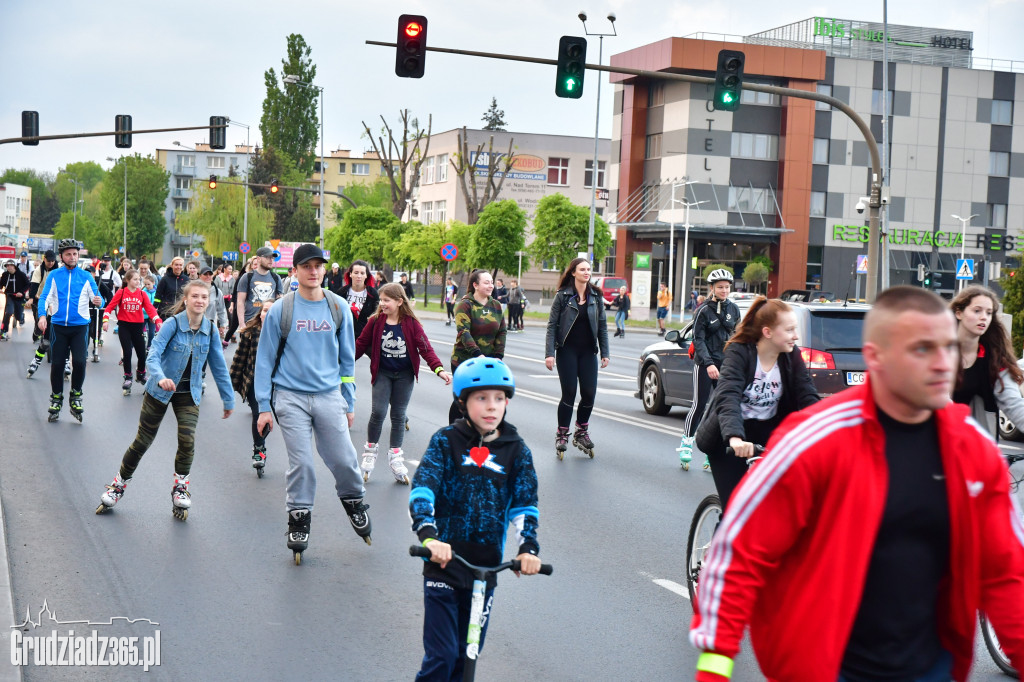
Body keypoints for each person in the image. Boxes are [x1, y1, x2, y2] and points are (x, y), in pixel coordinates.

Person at [689, 285, 1024, 682]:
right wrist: (714, 666)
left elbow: (1006, 572)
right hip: (826, 667)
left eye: (948, 348)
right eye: (921, 349)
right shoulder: (813, 441)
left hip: (929, 668)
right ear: (876, 358)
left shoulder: (973, 452)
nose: (942, 364)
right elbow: (740, 553)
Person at [409, 357, 541, 681]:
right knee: (441, 656)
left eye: (499, 398)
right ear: (463, 401)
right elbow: (423, 490)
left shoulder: (517, 451)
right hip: (444, 563)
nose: (491, 407)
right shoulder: (445, 442)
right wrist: (429, 536)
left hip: (485, 572)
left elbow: (524, 507)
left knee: (466, 657)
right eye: (481, 398)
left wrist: (528, 550)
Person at [254, 243, 372, 558]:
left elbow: (348, 362)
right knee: (302, 463)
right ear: (296, 271)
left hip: (329, 395)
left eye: (318, 265)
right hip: (290, 397)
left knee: (345, 459)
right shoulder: (282, 309)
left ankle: (354, 501)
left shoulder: (338, 308)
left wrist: (348, 401)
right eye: (307, 266)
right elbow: (264, 362)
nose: (313, 271)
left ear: (324, 270)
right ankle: (299, 517)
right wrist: (264, 407)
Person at [95, 280, 234, 520]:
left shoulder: (210, 330)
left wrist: (228, 399)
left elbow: (219, 367)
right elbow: (153, 355)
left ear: (208, 301)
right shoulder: (172, 324)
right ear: (187, 299)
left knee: (187, 439)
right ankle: (118, 485)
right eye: (196, 296)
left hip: (188, 394)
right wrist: (159, 378)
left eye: (204, 297)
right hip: (159, 392)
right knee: (142, 441)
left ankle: (180, 487)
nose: (200, 301)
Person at [694, 297, 819, 507]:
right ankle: (725, 536)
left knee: (780, 504)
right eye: (789, 330)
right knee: (735, 508)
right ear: (767, 332)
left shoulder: (791, 355)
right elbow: (728, 395)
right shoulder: (739, 352)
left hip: (767, 434)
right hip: (730, 438)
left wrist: (828, 430)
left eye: (795, 329)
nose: (795, 336)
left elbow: (807, 395)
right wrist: (734, 438)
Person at [355, 283, 452, 484]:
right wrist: (341, 364)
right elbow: (360, 345)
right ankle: (370, 452)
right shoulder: (375, 321)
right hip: (382, 373)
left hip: (404, 376)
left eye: (386, 300)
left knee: (399, 416)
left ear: (399, 302)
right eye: (381, 300)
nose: (382, 304)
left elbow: (426, 349)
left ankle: (396, 457)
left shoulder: (411, 324)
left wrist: (439, 369)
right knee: (378, 412)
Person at [544, 258, 609, 458]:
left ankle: (581, 431)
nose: (587, 272)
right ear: (573, 272)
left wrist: (605, 352)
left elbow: (603, 326)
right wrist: (549, 353)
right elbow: (552, 325)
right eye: (582, 269)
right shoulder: (563, 296)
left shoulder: (595, 296)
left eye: (589, 269)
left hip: (588, 351)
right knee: (570, 392)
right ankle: (562, 433)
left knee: (589, 393)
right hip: (567, 351)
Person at [678, 269, 740, 470]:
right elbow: (698, 339)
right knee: (700, 404)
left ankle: (713, 450)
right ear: (712, 288)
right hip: (705, 364)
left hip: (726, 364)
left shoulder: (734, 309)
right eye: (720, 287)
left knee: (722, 407)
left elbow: (737, 336)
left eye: (727, 287)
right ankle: (686, 443)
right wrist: (709, 364)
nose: (724, 290)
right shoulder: (703, 311)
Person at [36, 240, 104, 422]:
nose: (72, 257)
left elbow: (97, 298)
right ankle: (56, 398)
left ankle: (75, 396)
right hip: (58, 326)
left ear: (78, 255)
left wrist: (99, 302)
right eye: (68, 254)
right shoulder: (54, 275)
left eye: (75, 254)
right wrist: (42, 316)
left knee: (80, 363)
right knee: (57, 364)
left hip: (80, 328)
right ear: (62, 257)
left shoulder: (86, 276)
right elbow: (44, 298)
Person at [949, 285, 1024, 436]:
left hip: (976, 447)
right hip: (933, 443)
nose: (984, 317)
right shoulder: (937, 351)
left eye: (989, 313)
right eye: (977, 311)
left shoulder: (995, 359)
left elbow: (1014, 404)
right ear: (959, 313)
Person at [449, 269, 506, 423]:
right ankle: (453, 432)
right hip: (464, 360)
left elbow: (502, 332)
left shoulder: (497, 306)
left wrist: (498, 357)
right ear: (475, 285)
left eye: (492, 283)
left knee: (485, 398)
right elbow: (463, 332)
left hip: (488, 362)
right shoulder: (465, 305)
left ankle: (480, 432)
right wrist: (477, 354)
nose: (491, 286)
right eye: (486, 282)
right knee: (463, 399)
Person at [229, 298, 271, 474]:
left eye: (271, 311)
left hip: (277, 383)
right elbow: (239, 358)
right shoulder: (250, 332)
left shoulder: (286, 334)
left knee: (271, 420)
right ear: (260, 313)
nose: (267, 314)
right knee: (258, 414)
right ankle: (259, 449)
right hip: (254, 381)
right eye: (264, 310)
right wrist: (229, 386)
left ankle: (261, 442)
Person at [102, 269, 162, 395]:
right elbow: (110, 307)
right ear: (127, 280)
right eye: (135, 279)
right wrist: (105, 321)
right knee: (127, 353)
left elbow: (150, 309)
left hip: (138, 326)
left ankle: (141, 374)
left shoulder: (141, 294)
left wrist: (157, 320)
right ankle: (128, 377)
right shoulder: (121, 293)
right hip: (124, 326)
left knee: (142, 353)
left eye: (139, 279)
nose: (138, 281)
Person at [235, 247, 283, 329]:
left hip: (269, 322)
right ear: (258, 259)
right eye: (268, 257)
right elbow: (240, 302)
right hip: (250, 323)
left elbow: (280, 301)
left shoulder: (276, 278)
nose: (271, 260)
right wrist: (241, 323)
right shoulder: (247, 277)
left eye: (272, 258)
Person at [338, 259, 379, 340]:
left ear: (366, 275)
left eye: (362, 273)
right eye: (356, 273)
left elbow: (377, 316)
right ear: (350, 274)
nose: (359, 276)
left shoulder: (372, 293)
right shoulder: (341, 292)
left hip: (366, 338)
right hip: (345, 337)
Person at [26, 249, 57, 348]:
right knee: (39, 319)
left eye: (53, 261)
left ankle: (50, 338)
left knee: (52, 319)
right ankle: (36, 334)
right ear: (44, 259)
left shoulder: (58, 269)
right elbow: (34, 285)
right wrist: (31, 298)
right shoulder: (39, 270)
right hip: (39, 298)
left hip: (53, 300)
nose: (51, 263)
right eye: (49, 261)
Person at [0, 259, 30, 340]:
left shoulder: (21, 275)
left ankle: (21, 317)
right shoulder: (5, 275)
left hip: (19, 298)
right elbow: (1, 283)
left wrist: (21, 292)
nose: (9, 267)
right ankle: (3, 331)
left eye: (10, 265)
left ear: (14, 266)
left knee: (18, 316)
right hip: (9, 296)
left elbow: (28, 284)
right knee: (8, 312)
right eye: (7, 266)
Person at [198, 266, 228, 340]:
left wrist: (222, 325)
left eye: (210, 274)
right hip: (195, 324)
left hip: (210, 325)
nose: (208, 276)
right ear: (200, 276)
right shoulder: (194, 290)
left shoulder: (217, 292)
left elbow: (221, 310)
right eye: (205, 274)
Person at [141, 275, 158, 349]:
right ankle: (140, 345)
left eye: (148, 284)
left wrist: (156, 309)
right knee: (140, 332)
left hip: (152, 316)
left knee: (151, 332)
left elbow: (158, 303)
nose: (147, 286)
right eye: (145, 284)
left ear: (153, 283)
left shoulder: (157, 292)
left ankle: (149, 346)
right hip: (143, 315)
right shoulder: (142, 292)